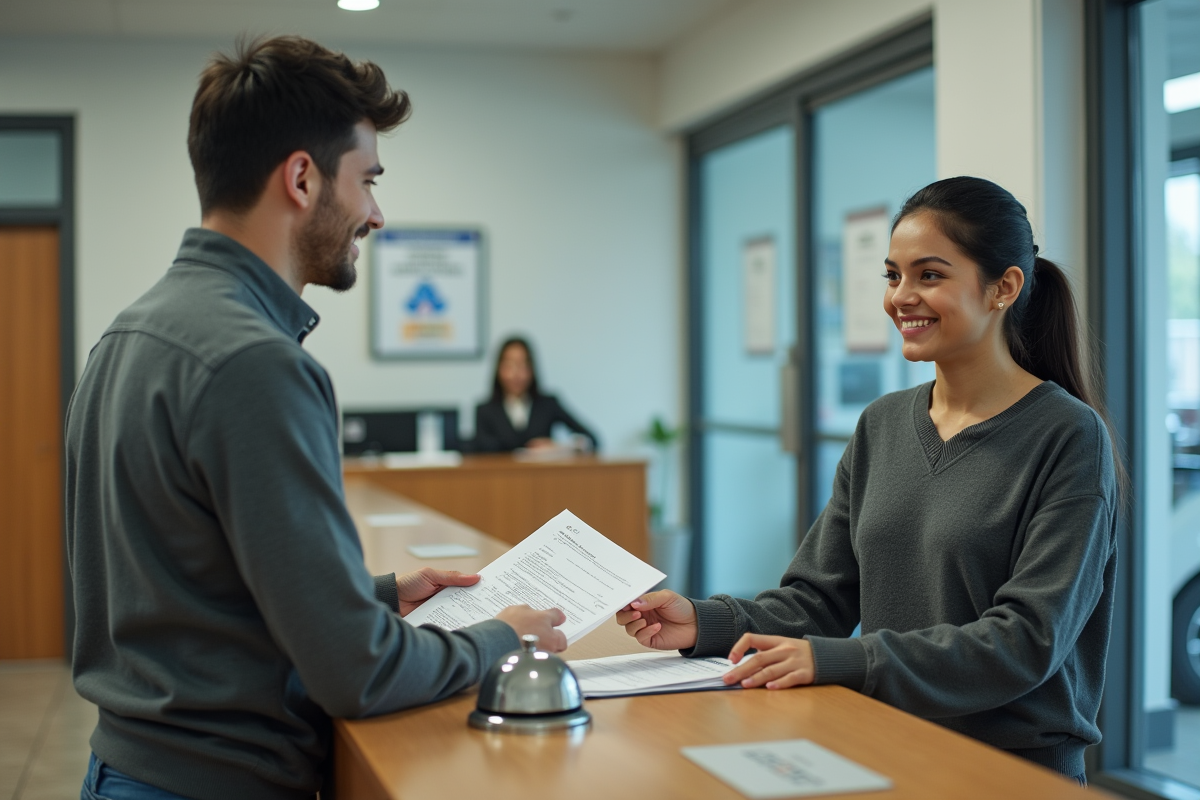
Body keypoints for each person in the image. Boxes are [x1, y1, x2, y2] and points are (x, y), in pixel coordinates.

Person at [66, 37, 566, 800]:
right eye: (367, 180)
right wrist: (505, 638)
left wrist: (366, 595)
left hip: (130, 768)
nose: (376, 213)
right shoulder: (255, 363)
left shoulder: (128, 334)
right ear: (301, 178)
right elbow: (357, 674)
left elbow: (182, 587)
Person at [617, 176, 1119, 784]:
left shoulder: (1067, 436)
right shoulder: (882, 424)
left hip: (1008, 770)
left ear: (1004, 288)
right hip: (882, 745)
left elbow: (1027, 641)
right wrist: (704, 622)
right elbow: (819, 599)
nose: (901, 297)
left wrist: (847, 660)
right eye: (892, 275)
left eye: (929, 275)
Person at [472, 336, 599, 453]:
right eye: (509, 365)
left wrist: (559, 446)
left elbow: (592, 440)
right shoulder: (485, 410)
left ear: (532, 369)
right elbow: (482, 449)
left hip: (543, 476)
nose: (516, 374)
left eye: (522, 365)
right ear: (499, 369)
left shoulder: (548, 404)